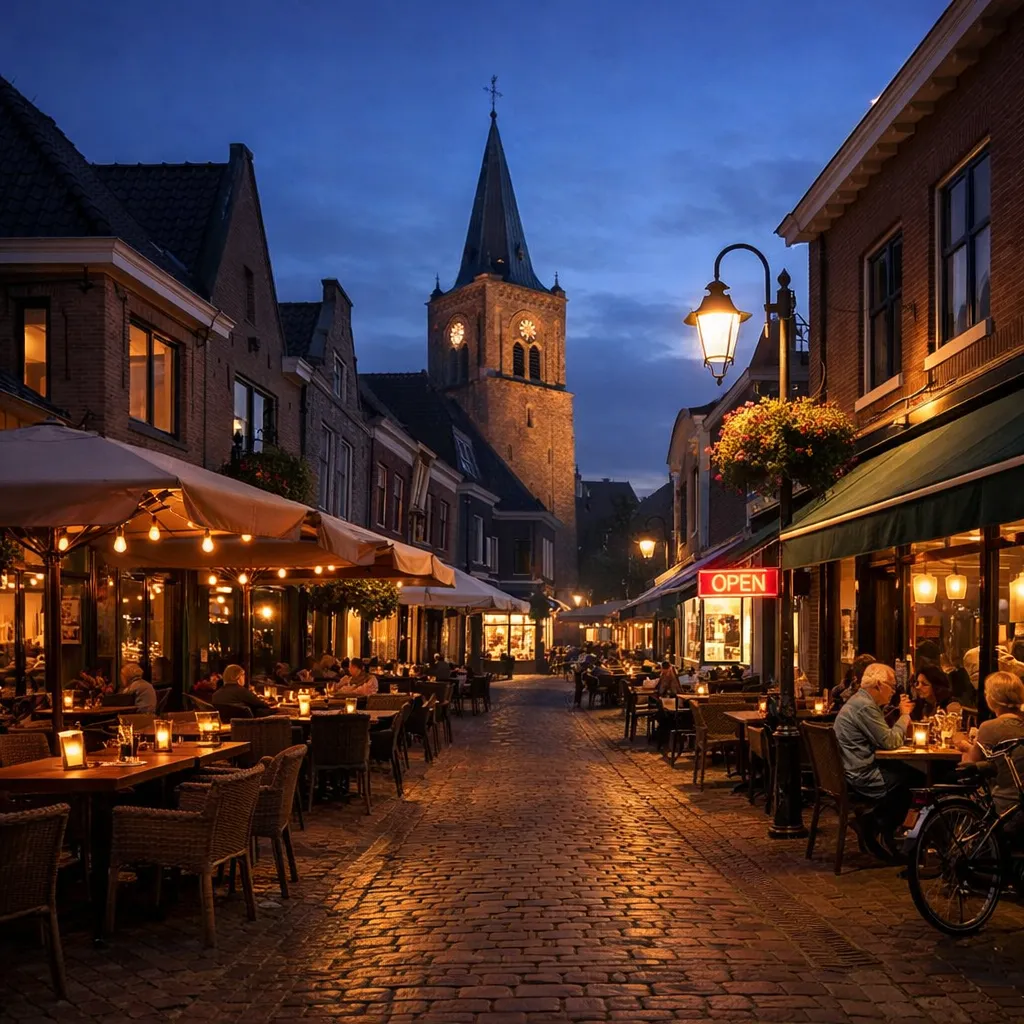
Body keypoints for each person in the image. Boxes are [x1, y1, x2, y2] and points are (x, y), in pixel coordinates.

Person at [833, 662, 916, 853]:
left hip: (851, 770)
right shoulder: (864, 706)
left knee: (907, 775)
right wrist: (905, 716)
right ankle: (878, 827)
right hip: (861, 776)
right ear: (878, 685)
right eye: (892, 686)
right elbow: (890, 741)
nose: (893, 692)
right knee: (913, 781)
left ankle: (881, 827)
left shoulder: (860, 702)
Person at [959, 671, 1024, 812]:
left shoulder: (989, 727)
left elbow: (973, 761)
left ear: (992, 698)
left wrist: (966, 747)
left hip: (1004, 801)